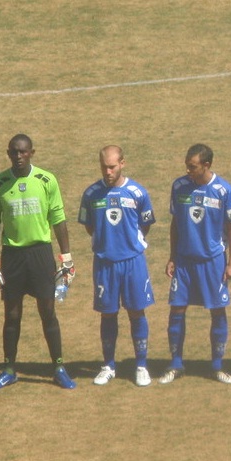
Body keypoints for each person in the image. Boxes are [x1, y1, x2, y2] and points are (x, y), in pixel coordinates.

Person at [0, 134, 76, 390]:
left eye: (23, 152)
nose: (18, 156)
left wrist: (66, 258)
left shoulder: (47, 180)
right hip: (13, 257)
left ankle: (58, 367)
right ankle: (9, 369)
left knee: (48, 312)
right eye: (14, 152)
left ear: (32, 153)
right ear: (8, 153)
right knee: (11, 315)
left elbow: (58, 218)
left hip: (40, 255)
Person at [159, 143, 231, 385]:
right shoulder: (179, 186)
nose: (188, 171)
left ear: (207, 165)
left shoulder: (224, 190)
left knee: (217, 309)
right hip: (184, 261)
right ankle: (176, 364)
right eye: (186, 166)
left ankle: (217, 366)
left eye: (192, 167)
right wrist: (172, 256)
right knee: (177, 309)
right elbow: (175, 223)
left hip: (212, 261)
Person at [78, 145, 155, 387]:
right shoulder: (91, 194)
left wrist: (131, 241)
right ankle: (108, 365)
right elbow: (88, 225)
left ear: (123, 163)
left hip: (133, 262)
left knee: (136, 312)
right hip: (105, 263)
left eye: (112, 166)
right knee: (108, 313)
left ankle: (141, 365)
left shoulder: (137, 192)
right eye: (103, 167)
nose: (107, 171)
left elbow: (146, 223)